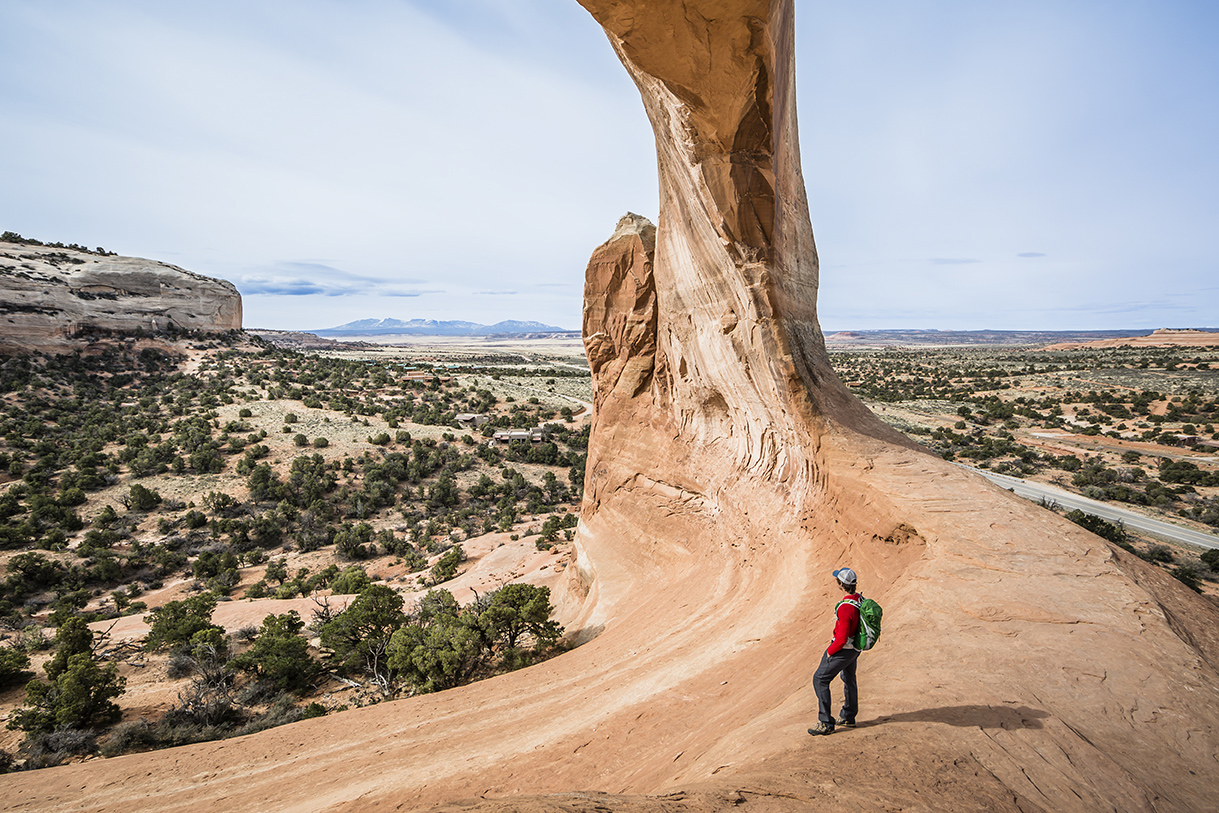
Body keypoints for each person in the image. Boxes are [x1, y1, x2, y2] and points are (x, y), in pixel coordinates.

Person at [808, 567, 861, 736]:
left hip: (843, 650)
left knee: (820, 679)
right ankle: (848, 716)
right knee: (849, 678)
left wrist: (830, 651)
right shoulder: (859, 599)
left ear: (840, 584)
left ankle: (825, 723)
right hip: (854, 649)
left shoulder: (845, 608)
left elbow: (842, 638)